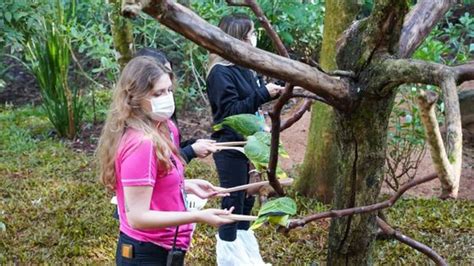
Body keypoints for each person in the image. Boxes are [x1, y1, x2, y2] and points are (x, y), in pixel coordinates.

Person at [96, 56, 234, 265]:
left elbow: (154, 185)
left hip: (167, 246)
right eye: (158, 93)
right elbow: (138, 217)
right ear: (135, 97)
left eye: (169, 90)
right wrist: (198, 216)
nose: (167, 98)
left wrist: (186, 185)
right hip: (145, 252)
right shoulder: (141, 143)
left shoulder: (164, 127)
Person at [206, 13, 284, 265]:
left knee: (247, 199)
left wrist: (267, 92)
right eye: (250, 34)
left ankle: (246, 257)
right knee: (233, 200)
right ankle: (228, 258)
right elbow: (229, 113)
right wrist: (262, 94)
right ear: (238, 38)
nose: (254, 39)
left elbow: (252, 106)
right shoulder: (219, 72)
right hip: (230, 145)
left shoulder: (246, 68)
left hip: (250, 145)